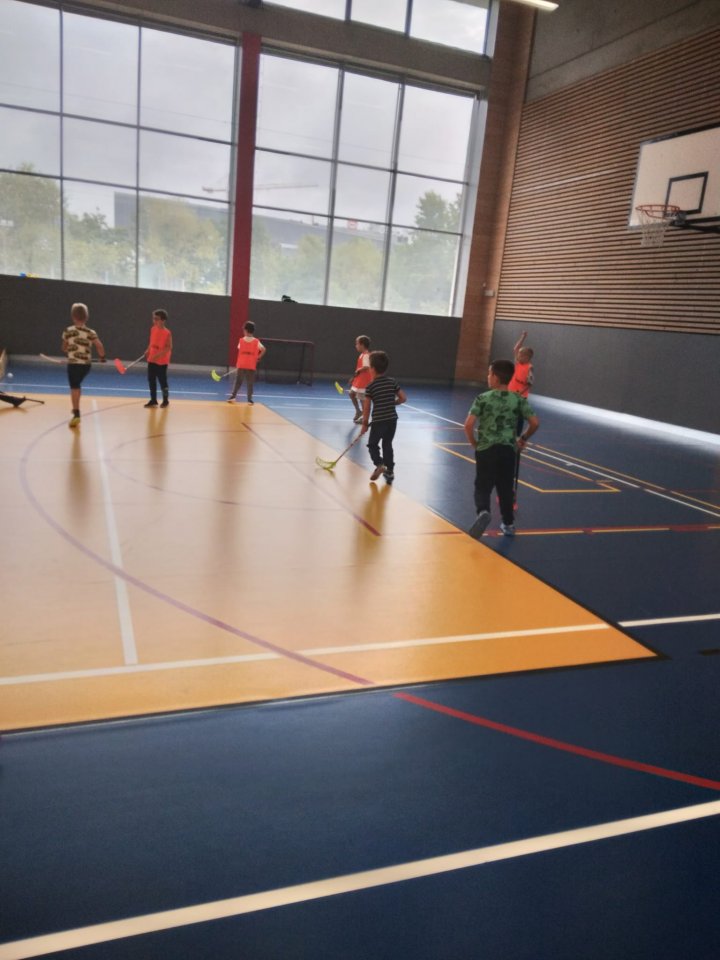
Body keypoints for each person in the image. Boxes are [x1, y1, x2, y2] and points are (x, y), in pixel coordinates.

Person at [464, 359, 539, 538]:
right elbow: (534, 422)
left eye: (489, 374)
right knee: (505, 487)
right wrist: (523, 438)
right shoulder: (518, 399)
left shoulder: (483, 398)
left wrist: (475, 444)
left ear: (496, 378)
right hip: (508, 449)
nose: (488, 377)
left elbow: (468, 425)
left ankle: (483, 511)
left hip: (486, 449)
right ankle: (508, 523)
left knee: (482, 485)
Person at [360, 350, 406, 484]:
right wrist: (393, 403)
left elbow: (367, 408)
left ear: (373, 369)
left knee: (372, 444)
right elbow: (403, 398)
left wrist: (364, 424)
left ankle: (379, 464)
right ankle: (390, 471)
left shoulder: (370, 386)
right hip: (392, 420)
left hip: (378, 421)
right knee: (387, 444)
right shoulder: (392, 382)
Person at [61, 302, 106, 428]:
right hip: (86, 366)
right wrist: (102, 357)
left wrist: (69, 349)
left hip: (73, 365)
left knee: (74, 387)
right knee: (77, 385)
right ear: (86, 317)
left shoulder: (68, 331)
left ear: (73, 317)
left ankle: (76, 413)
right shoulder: (90, 332)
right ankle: (76, 409)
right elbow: (99, 346)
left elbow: (64, 348)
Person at [227, 321, 265, 404]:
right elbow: (263, 349)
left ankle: (233, 396)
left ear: (246, 330)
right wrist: (258, 357)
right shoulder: (256, 341)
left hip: (241, 365)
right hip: (251, 365)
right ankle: (249, 399)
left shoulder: (241, 340)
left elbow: (239, 349)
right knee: (250, 383)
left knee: (238, 382)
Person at [144, 309, 173, 408]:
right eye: (153, 318)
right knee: (151, 380)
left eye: (157, 319)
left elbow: (169, 347)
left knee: (162, 381)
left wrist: (158, 355)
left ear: (163, 320)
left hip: (162, 361)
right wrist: (148, 350)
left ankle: (165, 400)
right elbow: (151, 342)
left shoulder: (167, 333)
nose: (154, 321)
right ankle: (153, 400)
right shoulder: (153, 329)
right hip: (152, 359)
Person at [349, 335, 372, 423]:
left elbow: (366, 367)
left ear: (362, 345)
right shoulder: (362, 355)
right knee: (351, 393)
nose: (356, 346)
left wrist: (358, 370)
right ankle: (358, 411)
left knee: (363, 399)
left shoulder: (366, 355)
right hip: (359, 380)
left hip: (364, 381)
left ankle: (364, 418)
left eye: (357, 344)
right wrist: (354, 377)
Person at [508, 331, 534, 399]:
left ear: (526, 357)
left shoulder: (529, 368)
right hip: (511, 389)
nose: (517, 357)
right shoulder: (518, 362)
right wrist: (523, 337)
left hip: (521, 394)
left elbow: (529, 384)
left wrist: (520, 393)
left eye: (520, 356)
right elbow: (516, 348)